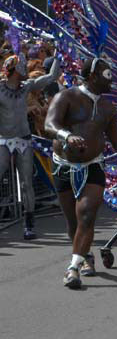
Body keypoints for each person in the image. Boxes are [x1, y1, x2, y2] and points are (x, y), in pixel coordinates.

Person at [45, 56, 117, 289]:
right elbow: (50, 125)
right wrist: (67, 136)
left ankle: (72, 269)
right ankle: (86, 256)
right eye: (107, 75)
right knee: (73, 222)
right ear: (92, 76)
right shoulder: (66, 97)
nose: (111, 80)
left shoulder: (108, 107)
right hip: (63, 166)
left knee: (87, 215)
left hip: (93, 166)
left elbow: (116, 138)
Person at [0, 54, 61, 240]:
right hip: (3, 141)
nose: (25, 69)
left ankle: (29, 225)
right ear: (14, 69)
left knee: (27, 184)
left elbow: (51, 77)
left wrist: (59, 54)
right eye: (22, 66)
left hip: (24, 141)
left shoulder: (27, 87)